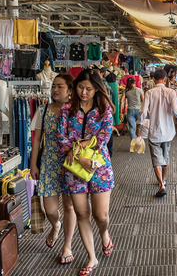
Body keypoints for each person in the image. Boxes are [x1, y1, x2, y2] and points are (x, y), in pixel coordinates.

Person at [58, 69, 115, 276]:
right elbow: (60, 136)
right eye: (80, 87)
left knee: (101, 216)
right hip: (73, 167)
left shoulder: (104, 109)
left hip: (99, 167)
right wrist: (77, 153)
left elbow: (103, 137)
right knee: (81, 212)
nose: (84, 92)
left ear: (97, 89)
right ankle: (92, 257)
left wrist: (82, 151)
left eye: (89, 89)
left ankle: (104, 232)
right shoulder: (67, 109)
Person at [30, 74, 77, 264]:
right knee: (49, 210)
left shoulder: (75, 112)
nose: (55, 90)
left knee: (69, 206)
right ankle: (55, 225)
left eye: (60, 86)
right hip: (48, 163)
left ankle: (67, 246)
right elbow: (36, 141)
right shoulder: (43, 110)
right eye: (53, 87)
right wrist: (33, 164)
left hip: (70, 165)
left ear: (70, 91)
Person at [136, 69, 177, 197]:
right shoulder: (171, 92)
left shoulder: (149, 93)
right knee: (166, 158)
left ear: (153, 79)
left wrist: (139, 125)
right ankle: (163, 180)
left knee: (156, 160)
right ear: (165, 80)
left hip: (154, 132)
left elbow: (143, 111)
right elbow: (176, 110)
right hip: (168, 132)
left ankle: (161, 185)